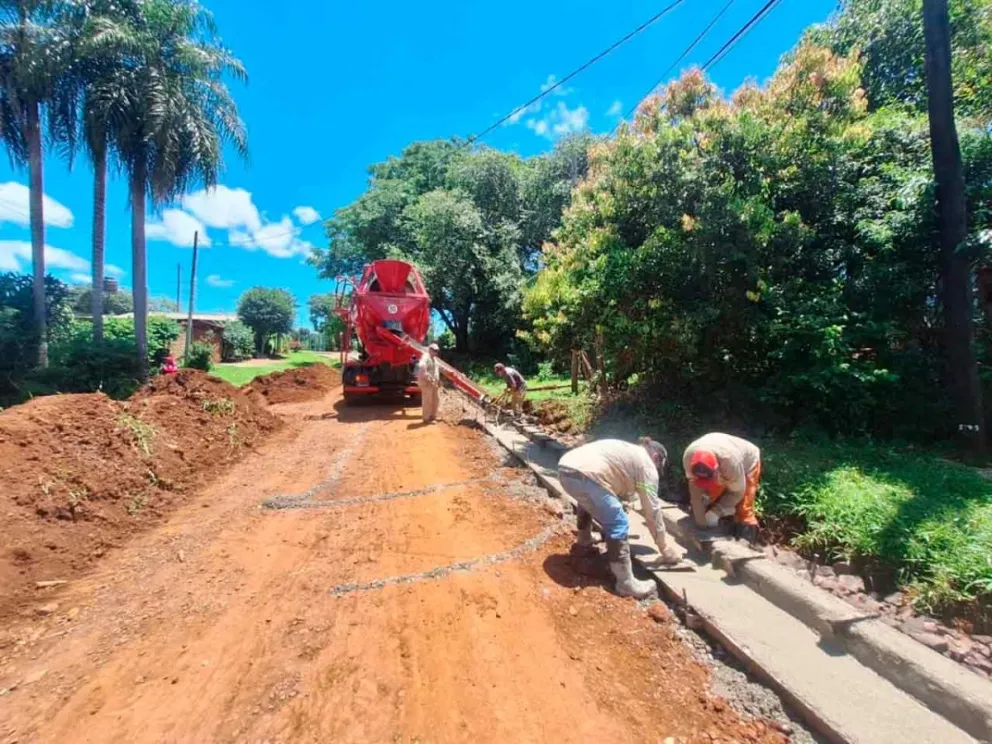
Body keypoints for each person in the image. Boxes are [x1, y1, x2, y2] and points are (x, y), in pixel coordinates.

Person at [557, 437, 681, 599]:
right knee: (619, 522)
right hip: (587, 476)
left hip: (566, 469)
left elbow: (622, 480)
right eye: (659, 467)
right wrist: (664, 548)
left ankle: (584, 541)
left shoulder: (629, 451)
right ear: (657, 458)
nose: (657, 470)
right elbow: (652, 510)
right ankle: (626, 583)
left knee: (587, 501)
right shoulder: (647, 466)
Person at [683, 433, 761, 542]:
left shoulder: (731, 463)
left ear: (717, 469)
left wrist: (717, 511)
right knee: (707, 498)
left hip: (747, 461)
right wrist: (701, 521)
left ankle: (746, 538)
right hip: (720, 455)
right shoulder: (688, 459)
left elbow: (737, 493)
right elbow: (695, 492)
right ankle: (721, 520)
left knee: (744, 507)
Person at [417, 343, 442, 423]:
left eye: (437, 351)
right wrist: (427, 376)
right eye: (434, 350)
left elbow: (440, 368)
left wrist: (451, 372)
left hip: (434, 383)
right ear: (430, 350)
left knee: (436, 400)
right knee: (428, 400)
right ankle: (426, 418)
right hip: (427, 383)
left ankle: (433, 416)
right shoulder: (425, 357)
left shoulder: (434, 359)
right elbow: (421, 366)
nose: (436, 352)